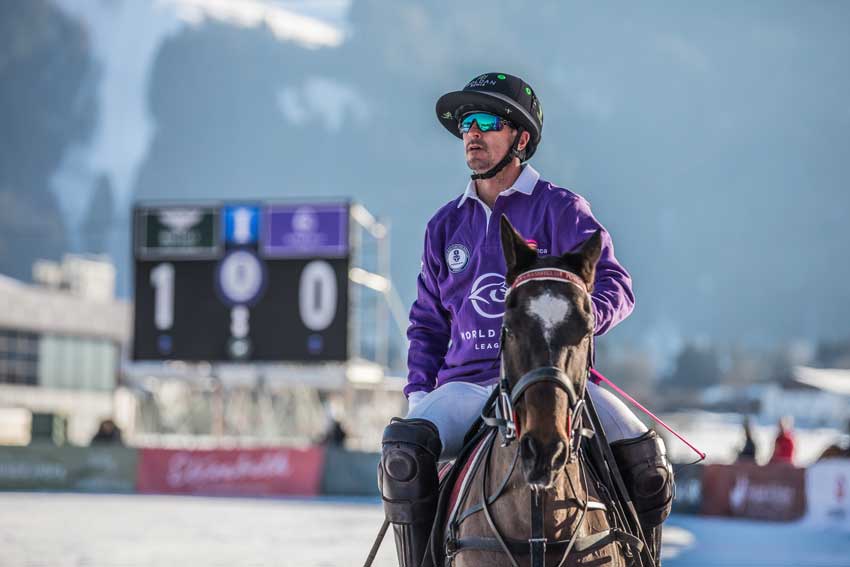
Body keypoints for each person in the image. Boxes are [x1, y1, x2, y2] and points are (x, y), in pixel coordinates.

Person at [377, 73, 674, 567]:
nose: (472, 132)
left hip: (554, 382)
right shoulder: (445, 224)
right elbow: (428, 324)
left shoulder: (561, 209)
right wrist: (418, 396)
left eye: (487, 121)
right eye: (466, 123)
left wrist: (580, 318)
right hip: (467, 387)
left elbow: (616, 285)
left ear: (521, 138)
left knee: (649, 465)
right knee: (403, 453)